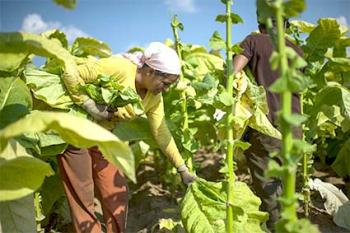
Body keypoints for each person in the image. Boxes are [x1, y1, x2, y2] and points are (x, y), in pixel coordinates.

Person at [57, 42, 196, 233]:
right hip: (75, 129)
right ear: (151, 72)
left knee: (116, 191)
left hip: (104, 136)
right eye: (165, 84)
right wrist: (88, 103)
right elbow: (71, 73)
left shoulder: (153, 97)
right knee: (82, 190)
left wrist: (182, 169)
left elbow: (161, 132)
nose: (165, 90)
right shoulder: (120, 68)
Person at [232, 14, 303, 230]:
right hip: (294, 127)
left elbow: (232, 74)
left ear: (260, 23)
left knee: (268, 186)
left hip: (267, 125)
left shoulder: (254, 41)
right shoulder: (296, 50)